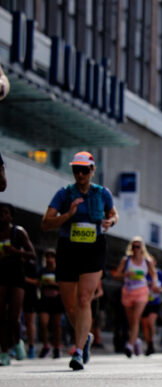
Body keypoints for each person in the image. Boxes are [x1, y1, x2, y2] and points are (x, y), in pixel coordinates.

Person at [41, 151, 118, 370]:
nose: (80, 173)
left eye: (84, 170)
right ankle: (85, 337)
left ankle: (78, 350)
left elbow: (114, 213)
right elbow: (45, 223)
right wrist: (68, 214)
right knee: (71, 306)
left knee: (85, 299)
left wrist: (110, 222)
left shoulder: (102, 193)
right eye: (76, 169)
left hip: (94, 248)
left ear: (93, 170)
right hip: (68, 248)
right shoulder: (64, 194)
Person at [0, 203, 36, 365]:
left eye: (5, 212)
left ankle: (17, 342)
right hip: (1, 276)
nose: (2, 215)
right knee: (1, 316)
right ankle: (4, 352)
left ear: (11, 215)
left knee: (14, 316)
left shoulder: (18, 232)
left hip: (16, 276)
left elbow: (32, 254)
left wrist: (17, 252)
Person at [114, 237, 160, 357]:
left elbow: (153, 274)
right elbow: (117, 275)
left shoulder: (147, 261)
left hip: (141, 291)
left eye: (138, 246)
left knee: (136, 318)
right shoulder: (126, 260)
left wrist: (154, 284)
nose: (135, 249)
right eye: (133, 246)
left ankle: (129, 345)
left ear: (142, 248)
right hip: (128, 291)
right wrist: (126, 274)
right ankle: (136, 341)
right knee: (131, 322)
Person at [37, 249, 64, 358]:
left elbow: (64, 286)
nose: (49, 259)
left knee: (56, 325)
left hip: (57, 300)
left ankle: (57, 347)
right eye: (47, 257)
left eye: (51, 257)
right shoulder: (41, 271)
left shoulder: (59, 271)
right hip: (44, 300)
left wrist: (53, 283)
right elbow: (36, 282)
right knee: (44, 323)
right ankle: (46, 346)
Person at [141, 267, 162, 355]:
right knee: (145, 325)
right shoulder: (142, 271)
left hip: (155, 302)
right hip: (143, 302)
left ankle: (151, 341)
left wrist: (159, 290)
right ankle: (148, 345)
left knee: (150, 323)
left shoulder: (158, 272)